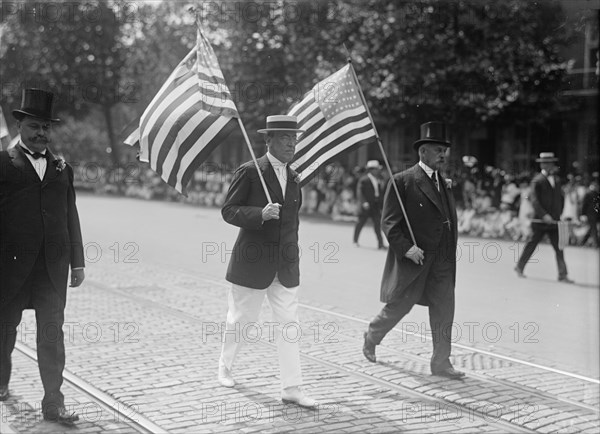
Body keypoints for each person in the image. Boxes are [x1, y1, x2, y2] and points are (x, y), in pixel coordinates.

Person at [217, 115, 317, 409]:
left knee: (289, 325)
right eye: (285, 137)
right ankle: (225, 366)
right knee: (241, 320)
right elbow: (229, 210)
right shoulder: (249, 172)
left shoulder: (295, 177)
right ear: (268, 140)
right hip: (252, 263)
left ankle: (292, 388)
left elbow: (292, 225)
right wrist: (259, 214)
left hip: (285, 267)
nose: (291, 143)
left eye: (294, 137)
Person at [0, 89, 85, 422]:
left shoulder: (62, 168)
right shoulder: (3, 164)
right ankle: (1, 382)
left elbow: (70, 215)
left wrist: (77, 262)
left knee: (52, 333)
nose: (41, 133)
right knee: (4, 330)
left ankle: (54, 402)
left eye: (46, 128)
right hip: (10, 268)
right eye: (35, 126)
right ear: (20, 125)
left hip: (52, 268)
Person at [362, 121, 465, 380]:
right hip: (416, 260)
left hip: (442, 261)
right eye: (437, 149)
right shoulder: (403, 181)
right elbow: (389, 223)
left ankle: (441, 362)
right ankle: (372, 336)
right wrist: (407, 249)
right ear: (422, 153)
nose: (442, 154)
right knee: (400, 306)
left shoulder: (444, 182)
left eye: (444, 150)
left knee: (444, 309)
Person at [514, 152, 574, 282]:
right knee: (532, 245)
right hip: (540, 221)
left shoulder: (557, 180)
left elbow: (560, 199)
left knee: (559, 248)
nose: (548, 165)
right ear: (541, 164)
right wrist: (544, 215)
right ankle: (519, 267)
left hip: (554, 221)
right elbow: (534, 200)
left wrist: (559, 214)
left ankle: (563, 275)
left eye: (550, 163)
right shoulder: (537, 180)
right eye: (545, 163)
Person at [353, 160, 385, 249]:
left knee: (377, 225)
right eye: (376, 169)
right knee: (360, 223)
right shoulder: (364, 179)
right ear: (371, 170)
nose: (378, 171)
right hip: (366, 205)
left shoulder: (379, 179)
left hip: (375, 205)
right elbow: (359, 192)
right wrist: (364, 202)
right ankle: (355, 241)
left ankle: (380, 244)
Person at [580, 180, 599, 247]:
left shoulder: (596, 194)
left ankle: (582, 242)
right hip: (590, 214)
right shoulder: (588, 194)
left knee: (591, 229)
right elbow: (584, 205)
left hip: (594, 214)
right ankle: (596, 244)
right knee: (594, 229)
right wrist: (583, 214)